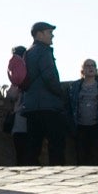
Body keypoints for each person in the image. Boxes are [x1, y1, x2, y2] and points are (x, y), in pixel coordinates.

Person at [18, 22, 69, 166]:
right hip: (48, 106)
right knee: (56, 143)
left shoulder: (28, 52)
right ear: (39, 34)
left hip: (31, 106)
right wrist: (60, 94)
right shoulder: (44, 51)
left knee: (33, 146)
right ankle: (57, 172)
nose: (52, 35)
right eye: (49, 32)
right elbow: (49, 77)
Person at [68, 57, 98, 165]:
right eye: (87, 65)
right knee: (81, 156)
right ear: (82, 70)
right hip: (80, 126)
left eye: (93, 65)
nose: (90, 68)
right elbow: (70, 107)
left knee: (96, 156)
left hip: (97, 126)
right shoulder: (74, 87)